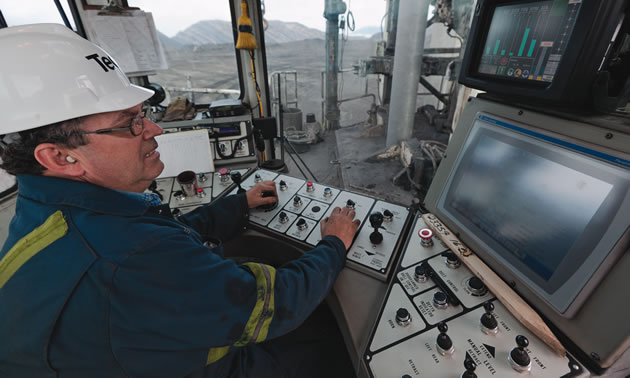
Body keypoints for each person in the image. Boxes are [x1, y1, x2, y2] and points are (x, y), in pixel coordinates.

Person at [0, 24, 360, 378]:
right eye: (129, 124)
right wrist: (333, 244)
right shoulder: (128, 255)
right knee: (327, 349)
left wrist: (237, 206)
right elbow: (269, 307)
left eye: (144, 115)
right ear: (60, 157)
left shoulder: (53, 212)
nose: (155, 130)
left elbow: (161, 235)